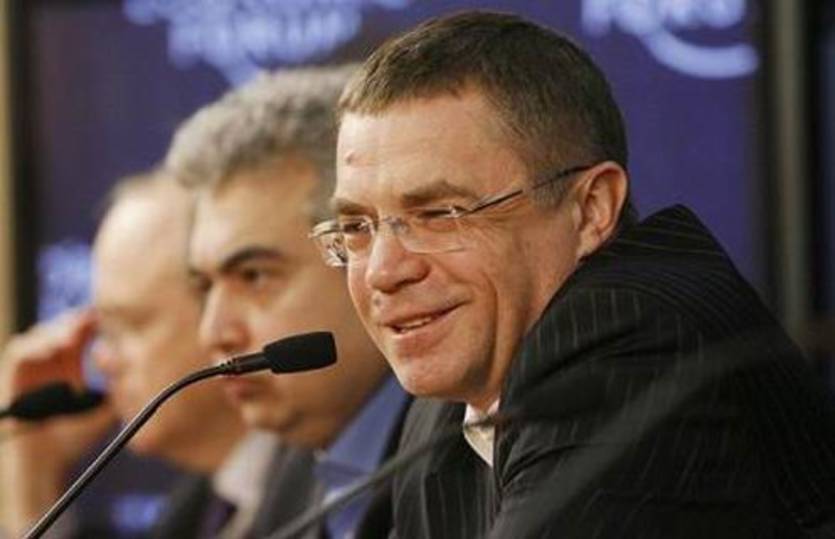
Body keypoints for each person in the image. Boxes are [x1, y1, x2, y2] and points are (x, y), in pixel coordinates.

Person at [309, 10, 835, 537]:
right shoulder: (447, 403)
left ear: (590, 210)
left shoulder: (633, 339)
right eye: (356, 226)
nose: (383, 272)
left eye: (440, 215)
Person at [165, 65, 409, 538]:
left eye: (254, 276)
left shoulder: (466, 451)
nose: (214, 333)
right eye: (204, 286)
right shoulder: (292, 465)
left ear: (359, 247)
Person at [0, 172, 278, 539]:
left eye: (130, 325)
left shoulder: (316, 486)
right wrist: (34, 474)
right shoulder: (197, 508)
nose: (102, 359)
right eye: (104, 331)